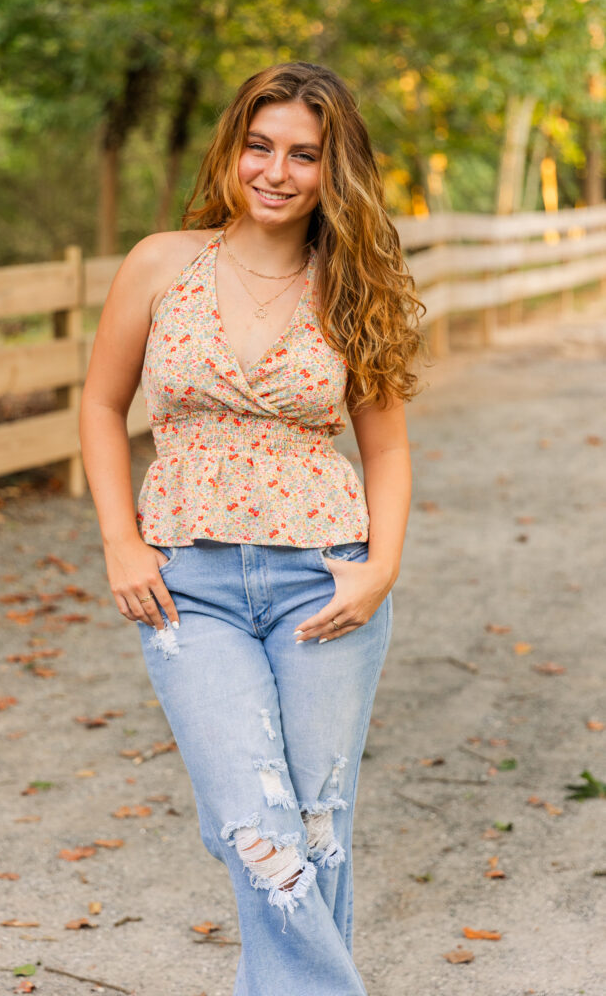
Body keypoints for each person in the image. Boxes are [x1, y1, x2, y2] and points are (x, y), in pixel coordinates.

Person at [80, 61, 425, 996]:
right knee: (254, 823)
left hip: (324, 579)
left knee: (317, 824)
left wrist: (379, 568)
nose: (275, 171)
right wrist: (121, 539)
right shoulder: (161, 262)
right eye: (258, 146)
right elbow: (101, 406)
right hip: (188, 583)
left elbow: (385, 451)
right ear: (232, 151)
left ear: (332, 168)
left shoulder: (355, 283)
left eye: (303, 155)